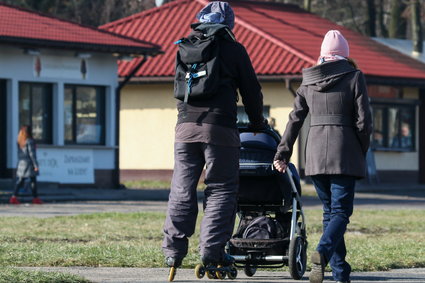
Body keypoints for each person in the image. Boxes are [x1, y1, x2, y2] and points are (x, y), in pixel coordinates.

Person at [162, 0, 267, 272]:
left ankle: (173, 251)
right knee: (221, 189)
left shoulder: (185, 46)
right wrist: (257, 122)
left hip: (185, 129)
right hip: (219, 129)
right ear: (228, 25)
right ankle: (212, 251)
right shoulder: (233, 50)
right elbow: (251, 91)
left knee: (182, 189)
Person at [273, 30, 372, 283]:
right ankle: (323, 251)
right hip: (344, 152)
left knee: (330, 213)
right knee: (341, 212)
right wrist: (360, 149)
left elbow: (294, 120)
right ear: (345, 54)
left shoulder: (308, 81)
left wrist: (282, 153)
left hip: (315, 154)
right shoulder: (354, 77)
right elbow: (364, 121)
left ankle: (340, 273)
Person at [9, 125, 42, 205]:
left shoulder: (20, 141)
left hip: (21, 163)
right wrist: (35, 165)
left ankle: (14, 197)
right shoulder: (30, 141)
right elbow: (32, 154)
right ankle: (35, 198)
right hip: (29, 163)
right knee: (33, 180)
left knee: (20, 180)